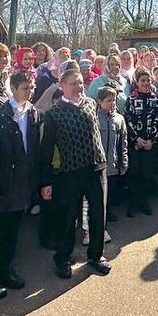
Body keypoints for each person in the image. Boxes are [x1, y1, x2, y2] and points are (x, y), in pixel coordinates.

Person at [37, 66, 111, 278]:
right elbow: (46, 150)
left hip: (95, 168)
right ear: (62, 87)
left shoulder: (89, 103)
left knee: (98, 213)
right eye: (73, 84)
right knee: (68, 218)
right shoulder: (54, 113)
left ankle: (96, 256)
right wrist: (46, 181)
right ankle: (63, 258)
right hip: (70, 172)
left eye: (80, 83)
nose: (78, 87)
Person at [0, 68, 39, 301]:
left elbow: (33, 148)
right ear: (13, 89)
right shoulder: (0, 114)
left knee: (13, 232)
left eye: (32, 87)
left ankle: (6, 269)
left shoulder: (33, 113)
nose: (30, 91)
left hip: (22, 183)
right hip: (3, 184)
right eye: (26, 88)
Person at [125, 67, 158, 216]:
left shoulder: (154, 99)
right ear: (137, 82)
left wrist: (151, 140)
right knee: (134, 172)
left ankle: (144, 201)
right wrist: (136, 138)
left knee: (146, 173)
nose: (146, 83)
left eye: (148, 80)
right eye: (143, 80)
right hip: (135, 144)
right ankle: (133, 203)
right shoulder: (132, 99)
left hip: (149, 144)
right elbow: (128, 119)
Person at [92, 85, 128, 231]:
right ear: (99, 101)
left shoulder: (119, 119)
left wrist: (124, 161)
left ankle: (109, 211)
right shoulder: (94, 118)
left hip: (112, 164)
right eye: (108, 101)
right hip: (98, 164)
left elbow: (123, 142)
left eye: (114, 100)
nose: (112, 103)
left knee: (111, 190)